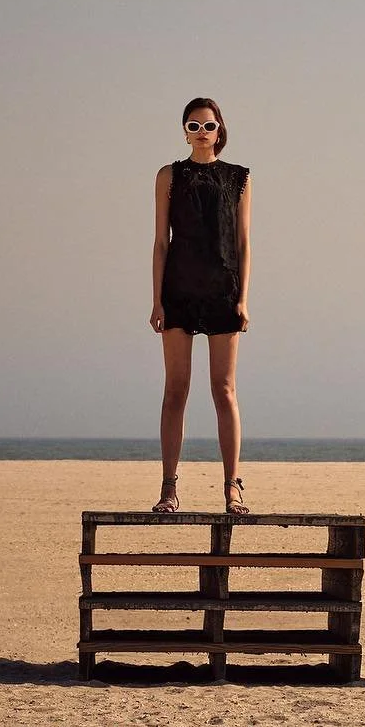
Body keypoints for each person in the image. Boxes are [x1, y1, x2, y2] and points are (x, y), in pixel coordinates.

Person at [149, 98, 252, 514]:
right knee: (176, 389)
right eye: (193, 126)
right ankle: (168, 488)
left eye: (208, 126)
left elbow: (243, 243)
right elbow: (161, 242)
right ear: (185, 132)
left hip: (223, 290)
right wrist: (156, 299)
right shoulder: (169, 176)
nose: (202, 132)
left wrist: (243, 299)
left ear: (219, 130)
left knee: (224, 390)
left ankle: (232, 486)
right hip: (179, 289)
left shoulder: (238, 178)